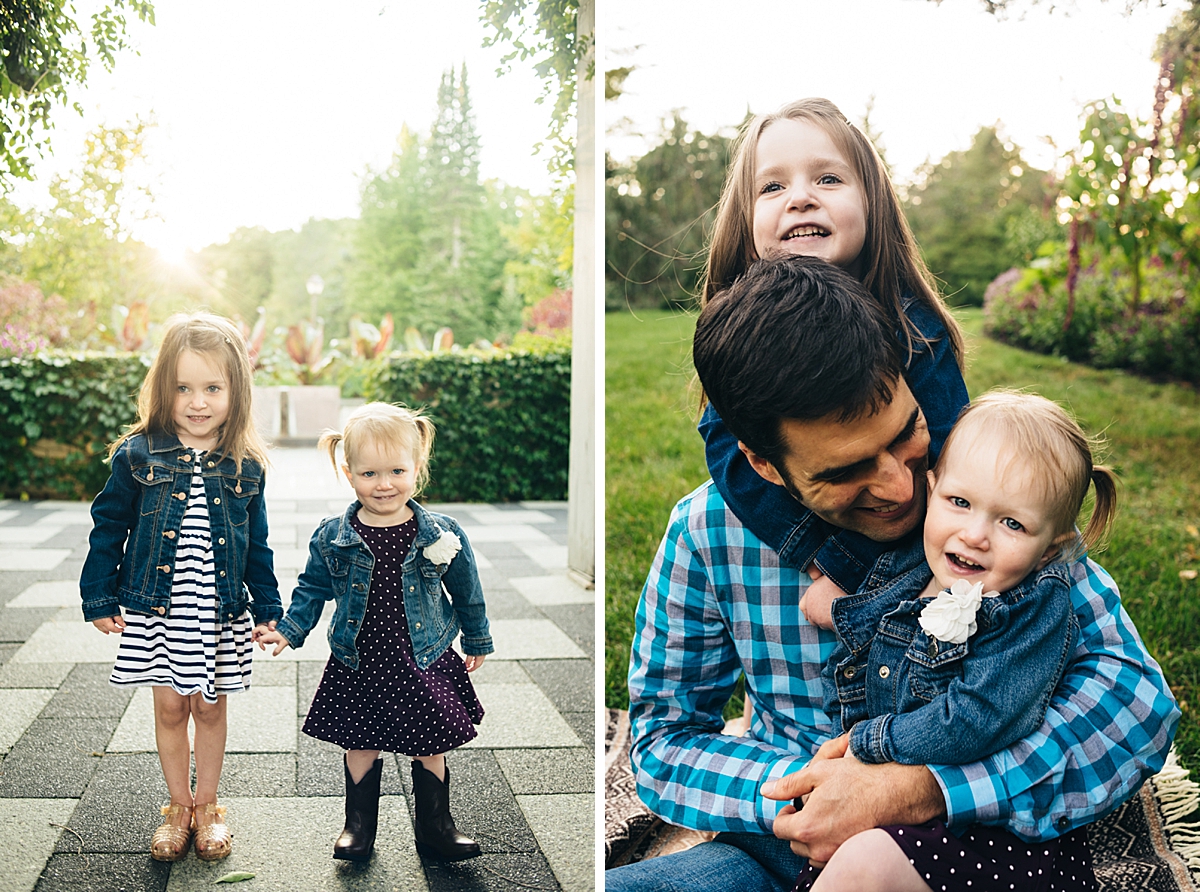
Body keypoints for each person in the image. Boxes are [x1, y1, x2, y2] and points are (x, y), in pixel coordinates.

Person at [607, 255, 1178, 892]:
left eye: (904, 432)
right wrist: (808, 797)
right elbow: (664, 739)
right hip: (779, 842)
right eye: (844, 470)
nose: (901, 486)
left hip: (956, 838)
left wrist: (918, 790)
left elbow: (1139, 709)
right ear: (764, 465)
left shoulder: (975, 502)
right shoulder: (707, 532)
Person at [794, 389, 1118, 892]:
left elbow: (977, 716)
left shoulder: (1032, 609)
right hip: (896, 823)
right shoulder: (912, 566)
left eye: (1012, 522)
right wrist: (840, 604)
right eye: (960, 502)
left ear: (1051, 545)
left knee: (864, 867)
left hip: (988, 837)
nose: (974, 534)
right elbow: (871, 638)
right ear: (932, 486)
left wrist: (866, 745)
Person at [700, 97, 969, 608]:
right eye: (772, 187)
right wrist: (825, 555)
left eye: (827, 179)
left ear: (871, 201)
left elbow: (951, 446)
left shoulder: (914, 326)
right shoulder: (745, 349)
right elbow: (727, 446)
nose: (799, 198)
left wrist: (863, 567)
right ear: (746, 220)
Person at [79, 311, 281, 862]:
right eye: (183, 388)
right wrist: (98, 594)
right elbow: (109, 524)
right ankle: (178, 805)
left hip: (216, 612)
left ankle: (210, 805)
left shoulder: (245, 464)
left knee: (210, 709)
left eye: (213, 388)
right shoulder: (138, 454)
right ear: (161, 388)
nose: (198, 402)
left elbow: (258, 546)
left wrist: (268, 610)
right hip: (156, 610)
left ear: (235, 390)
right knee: (170, 709)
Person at [256, 402, 493, 863]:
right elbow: (312, 589)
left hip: (422, 656)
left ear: (417, 468)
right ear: (348, 474)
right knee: (360, 742)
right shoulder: (334, 536)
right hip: (361, 659)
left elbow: (467, 590)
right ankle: (358, 828)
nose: (383, 484)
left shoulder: (439, 533)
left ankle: (437, 828)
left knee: (431, 743)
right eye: (369, 474)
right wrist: (289, 629)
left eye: (396, 471)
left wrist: (477, 639)